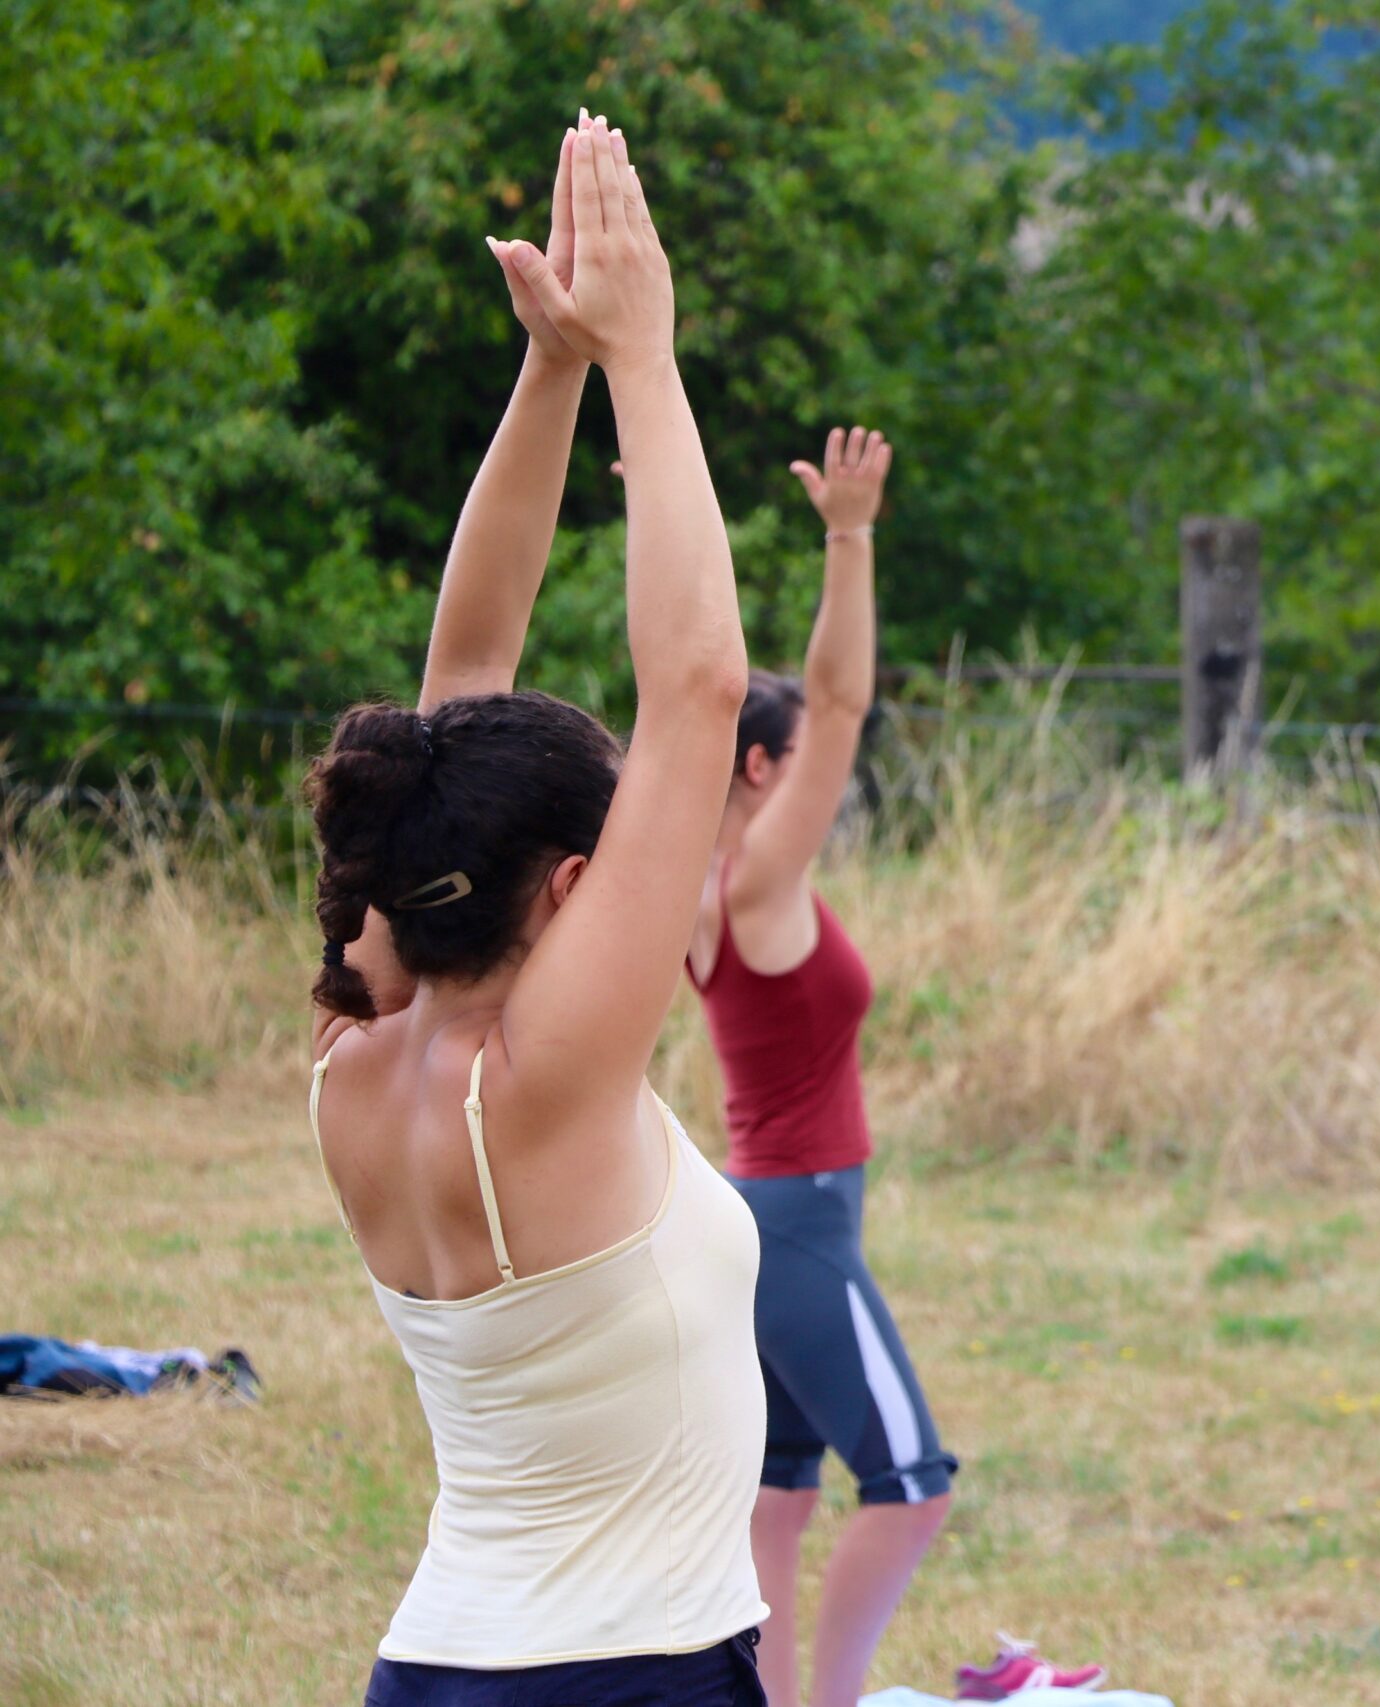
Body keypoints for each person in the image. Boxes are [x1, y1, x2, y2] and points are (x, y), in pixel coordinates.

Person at [304, 114, 770, 1703]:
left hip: (435, 1663)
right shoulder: (551, 1069)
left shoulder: (360, 1043)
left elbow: (459, 686)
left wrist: (550, 367)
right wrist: (643, 353)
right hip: (623, 1673)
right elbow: (704, 683)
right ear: (573, 884)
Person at [686, 424, 956, 1707]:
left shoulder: (685, 884)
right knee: (910, 1487)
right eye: (798, 769)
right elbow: (840, 700)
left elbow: (683, 679)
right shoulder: (756, 881)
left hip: (763, 1217)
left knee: (779, 1502)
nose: (824, 785)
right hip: (795, 1224)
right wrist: (848, 536)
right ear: (757, 768)